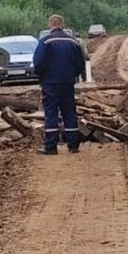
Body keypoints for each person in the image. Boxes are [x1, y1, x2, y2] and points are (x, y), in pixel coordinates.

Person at [33, 14, 85, 155]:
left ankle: (51, 146)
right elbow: (80, 64)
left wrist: (42, 76)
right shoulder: (74, 42)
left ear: (50, 25)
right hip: (68, 83)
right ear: (63, 24)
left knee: (51, 113)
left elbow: (38, 63)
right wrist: (72, 75)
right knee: (69, 112)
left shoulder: (45, 42)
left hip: (50, 83)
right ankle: (73, 145)